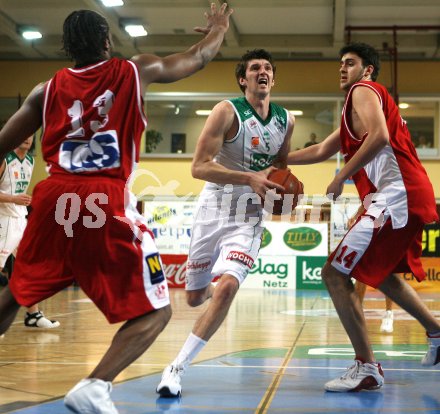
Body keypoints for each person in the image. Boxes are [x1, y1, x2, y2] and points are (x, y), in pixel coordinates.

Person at [0, 4, 232, 413]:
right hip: (105, 198)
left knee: (17, 290)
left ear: (67, 48)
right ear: (107, 41)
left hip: (53, 198)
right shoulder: (133, 70)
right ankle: (95, 385)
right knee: (157, 312)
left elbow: (2, 142)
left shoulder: (45, 90)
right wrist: (218, 28)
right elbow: (197, 57)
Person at [287, 42, 440, 392]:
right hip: (402, 194)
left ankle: (367, 367)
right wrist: (280, 162)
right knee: (381, 273)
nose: (343, 68)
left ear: (367, 70)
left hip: (397, 195)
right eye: (341, 63)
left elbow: (380, 136)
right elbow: (321, 150)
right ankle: (436, 333)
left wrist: (341, 176)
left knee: (333, 273)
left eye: (350, 63)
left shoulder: (363, 90)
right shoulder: (353, 108)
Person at [156, 48, 294, 398]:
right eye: (254, 68)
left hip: (248, 217)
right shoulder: (226, 111)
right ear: (243, 79)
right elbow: (198, 167)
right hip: (213, 207)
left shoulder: (286, 120)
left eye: (267, 68)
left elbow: (280, 166)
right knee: (192, 298)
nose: (262, 71)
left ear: (273, 78)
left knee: (230, 286)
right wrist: (249, 178)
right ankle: (212, 293)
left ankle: (176, 367)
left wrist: (284, 194)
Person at [0, 135, 60, 329]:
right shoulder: (4, 159)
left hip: (20, 218)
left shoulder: (31, 161)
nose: (26, 138)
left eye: (30, 135)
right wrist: (12, 199)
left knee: (29, 264)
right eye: (23, 134)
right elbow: (11, 195)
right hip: (4, 219)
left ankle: (33, 315)